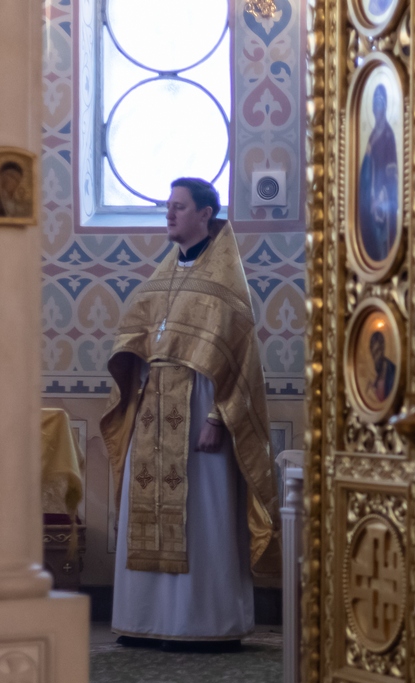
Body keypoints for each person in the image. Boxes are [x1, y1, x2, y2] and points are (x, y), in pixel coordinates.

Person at [101, 177, 278, 651]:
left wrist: (218, 418)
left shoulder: (225, 284)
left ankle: (203, 625)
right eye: (168, 206)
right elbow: (137, 339)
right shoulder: (161, 278)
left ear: (205, 214)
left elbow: (239, 363)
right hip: (153, 408)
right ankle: (144, 619)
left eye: (179, 207)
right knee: (145, 508)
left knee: (203, 517)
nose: (169, 213)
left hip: (201, 409)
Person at [358, 84, 399, 263]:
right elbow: (366, 170)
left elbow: (392, 173)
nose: (376, 109)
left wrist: (380, 198)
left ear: (385, 107)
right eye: (374, 105)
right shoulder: (372, 135)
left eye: (379, 104)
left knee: (383, 244)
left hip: (384, 201)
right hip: (371, 199)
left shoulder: (389, 136)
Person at [366, 330, 396, 404]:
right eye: (373, 355)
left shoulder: (393, 372)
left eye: (377, 352)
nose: (375, 358)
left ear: (383, 348)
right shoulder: (377, 375)